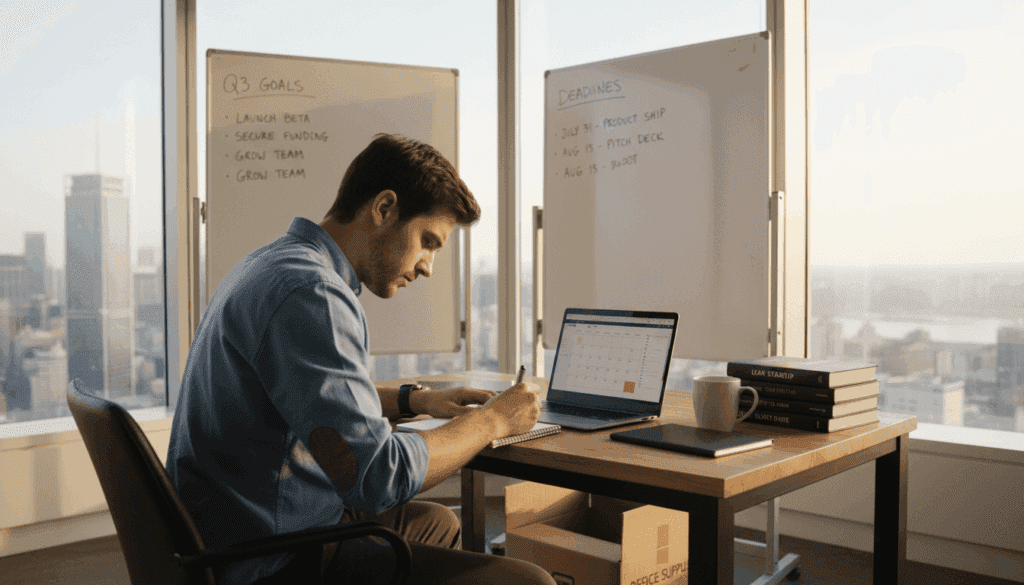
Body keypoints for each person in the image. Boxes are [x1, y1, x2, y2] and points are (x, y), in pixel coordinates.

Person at [167, 133, 554, 585]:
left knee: (438, 523)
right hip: (272, 559)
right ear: (384, 208)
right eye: (428, 240)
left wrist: (416, 401)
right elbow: (377, 480)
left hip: (234, 531)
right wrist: (493, 421)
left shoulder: (273, 263)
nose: (428, 265)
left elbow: (307, 398)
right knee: (531, 582)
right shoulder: (313, 294)